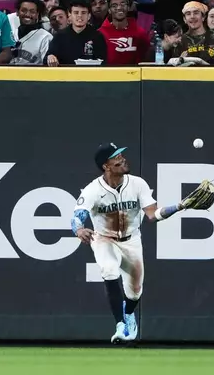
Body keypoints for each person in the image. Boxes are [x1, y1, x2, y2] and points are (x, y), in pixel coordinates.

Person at [72, 143, 195, 343]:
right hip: (104, 239)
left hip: (131, 240)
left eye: (121, 154)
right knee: (109, 269)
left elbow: (153, 215)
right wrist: (78, 229)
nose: (122, 158)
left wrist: (180, 206)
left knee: (135, 292)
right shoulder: (93, 190)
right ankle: (120, 326)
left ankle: (128, 313)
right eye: (116, 157)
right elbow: (77, 216)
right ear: (106, 166)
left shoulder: (137, 184)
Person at [45, 0, 107, 65]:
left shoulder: (97, 36)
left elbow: (103, 61)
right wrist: (50, 57)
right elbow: (47, 59)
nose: (80, 16)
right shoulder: (59, 36)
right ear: (70, 15)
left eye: (83, 13)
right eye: (76, 12)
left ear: (89, 16)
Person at [98, 0, 150, 65]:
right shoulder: (100, 34)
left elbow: (147, 60)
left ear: (128, 7)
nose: (119, 8)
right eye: (114, 5)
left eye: (123, 4)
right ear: (109, 10)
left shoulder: (140, 33)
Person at [171, 1, 214, 65]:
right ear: (184, 19)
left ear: (203, 17)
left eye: (196, 13)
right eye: (188, 14)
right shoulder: (180, 41)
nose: (192, 16)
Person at [10, 0, 53, 64]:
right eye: (24, 10)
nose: (28, 14)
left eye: (32, 12)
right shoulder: (11, 34)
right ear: (17, 12)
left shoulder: (45, 37)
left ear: (37, 14)